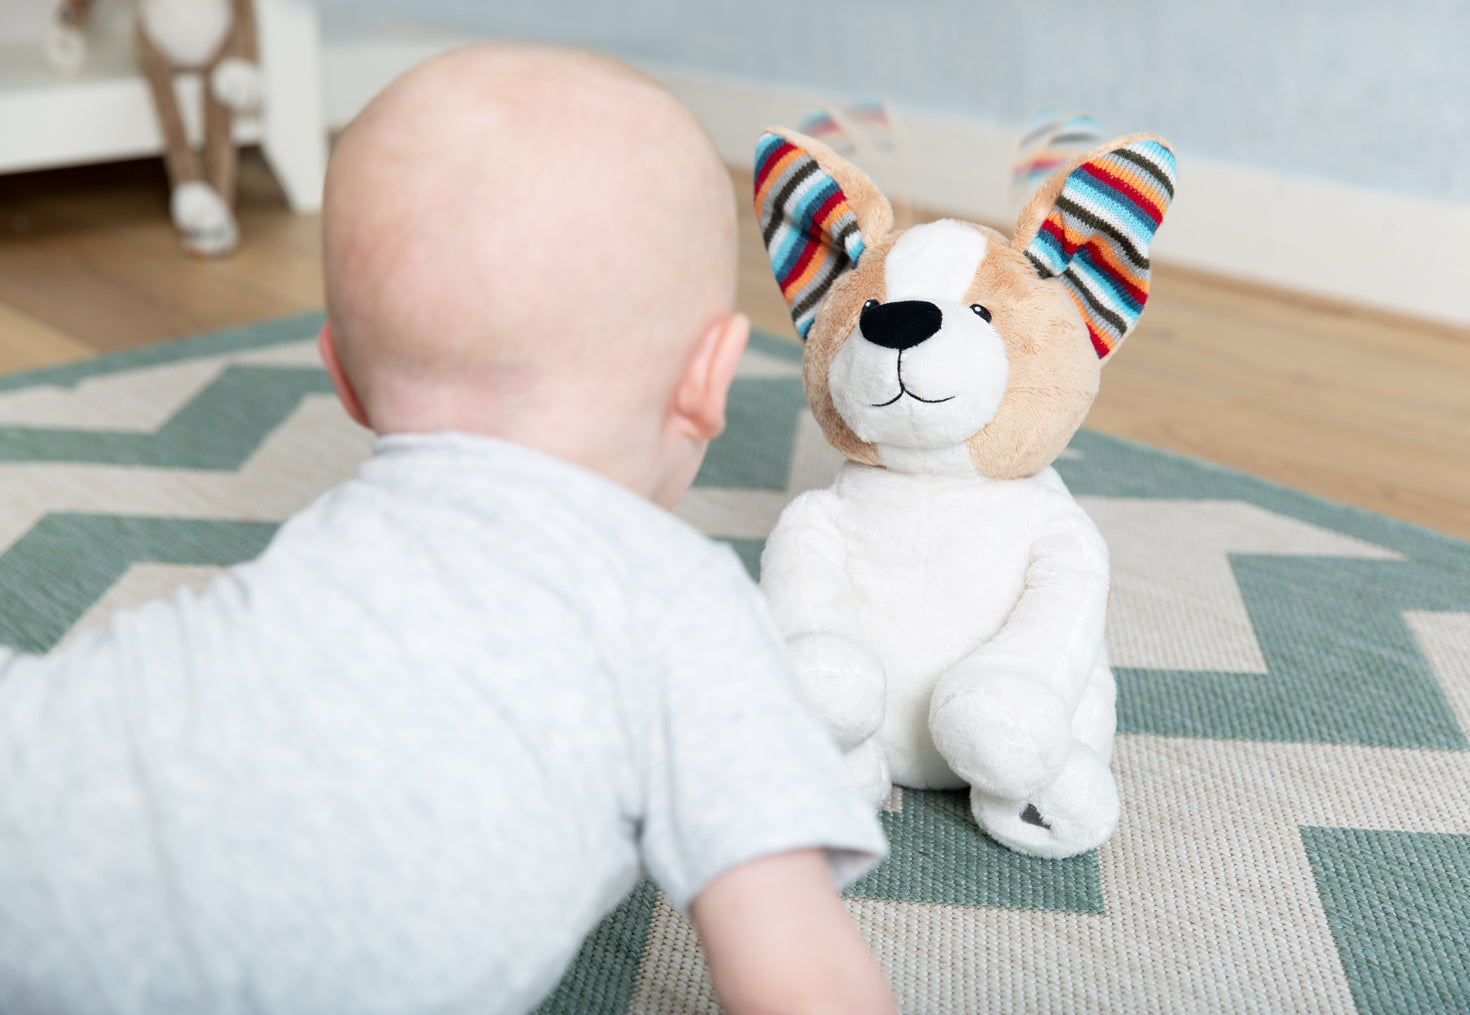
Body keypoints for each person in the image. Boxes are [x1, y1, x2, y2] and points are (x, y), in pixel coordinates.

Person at [0, 44, 898, 1015]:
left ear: (340, 376)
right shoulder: (686, 603)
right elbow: (800, 977)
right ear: (709, 378)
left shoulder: (336, 544)